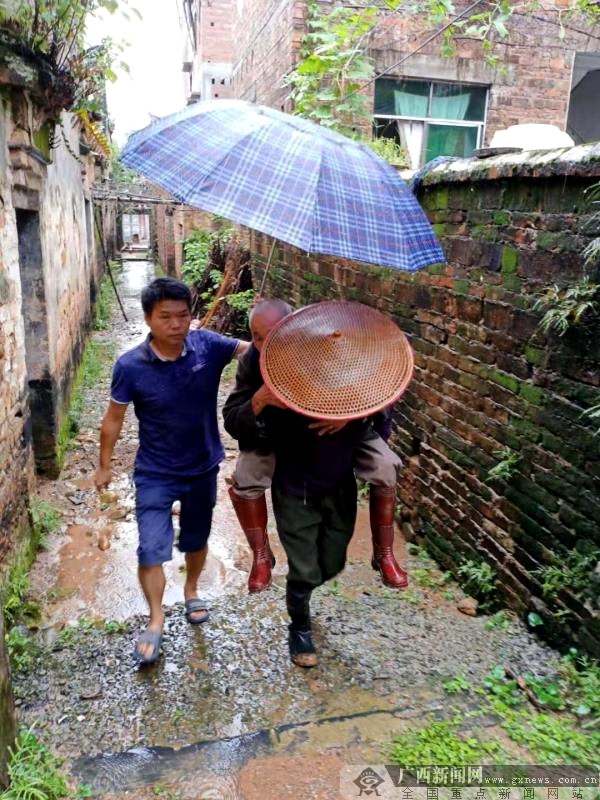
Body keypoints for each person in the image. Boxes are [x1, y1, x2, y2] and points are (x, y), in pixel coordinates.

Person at [94, 277, 250, 665]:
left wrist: (271, 331)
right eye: (165, 317)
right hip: (154, 472)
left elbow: (257, 353)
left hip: (202, 466)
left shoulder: (209, 346)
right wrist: (103, 466)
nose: (176, 324)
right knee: (150, 547)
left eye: (183, 315)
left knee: (196, 540)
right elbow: (113, 419)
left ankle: (192, 590)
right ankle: (156, 617)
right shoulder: (130, 365)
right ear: (148, 318)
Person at [223, 299, 408, 597]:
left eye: (271, 336)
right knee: (246, 476)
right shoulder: (252, 362)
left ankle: (383, 553)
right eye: (256, 337)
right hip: (278, 436)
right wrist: (259, 400)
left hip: (345, 433)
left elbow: (380, 388)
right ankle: (261, 556)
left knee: (385, 467)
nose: (261, 344)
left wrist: (350, 415)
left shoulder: (329, 344)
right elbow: (232, 420)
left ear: (292, 328)